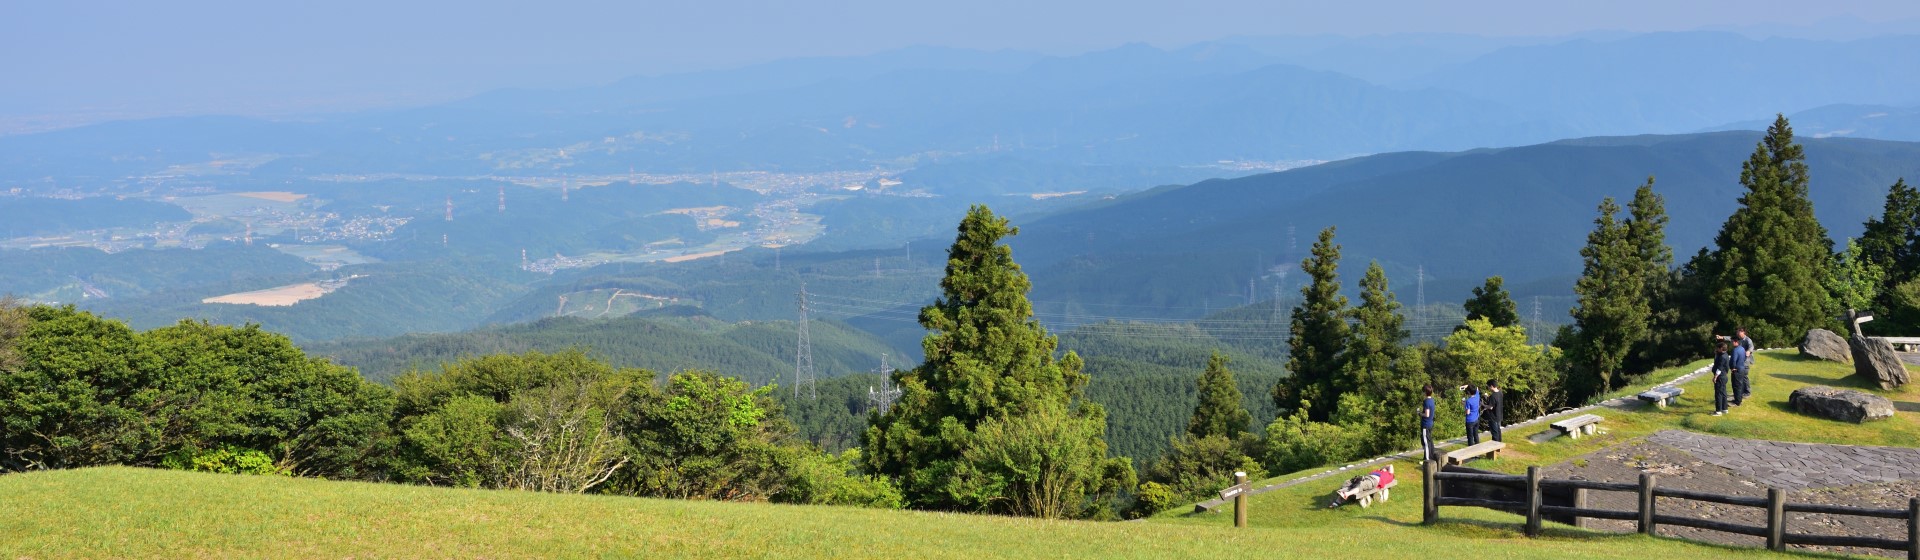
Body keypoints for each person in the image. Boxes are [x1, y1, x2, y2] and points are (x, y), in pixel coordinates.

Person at [1328, 466, 1396, 508]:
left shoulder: (1389, 475)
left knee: (1361, 485)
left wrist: (1384, 469)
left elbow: (1390, 465)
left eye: (1385, 469)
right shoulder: (1377, 471)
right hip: (1365, 477)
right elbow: (1384, 467)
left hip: (1373, 481)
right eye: (1383, 468)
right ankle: (1337, 501)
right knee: (1348, 483)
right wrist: (1381, 469)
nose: (1384, 468)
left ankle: (1346, 494)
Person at [1711, 341, 1732, 415]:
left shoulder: (1722, 357)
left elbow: (1719, 368)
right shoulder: (1725, 354)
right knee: (1723, 393)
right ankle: (1724, 408)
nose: (1717, 349)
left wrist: (1715, 377)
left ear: (1721, 348)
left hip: (1720, 377)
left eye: (1718, 348)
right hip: (1724, 376)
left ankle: (1718, 411)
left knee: (1718, 394)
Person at [1729, 338, 1750, 407]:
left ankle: (1737, 402)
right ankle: (1738, 399)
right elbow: (1744, 358)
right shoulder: (1742, 349)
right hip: (1742, 368)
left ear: (1736, 342)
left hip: (1736, 370)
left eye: (1732, 342)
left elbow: (1733, 360)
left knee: (1736, 385)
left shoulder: (1735, 350)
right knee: (1740, 385)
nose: (1731, 343)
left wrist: (1733, 368)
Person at [1736, 327, 1756, 400]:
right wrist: (1722, 337)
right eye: (1737, 332)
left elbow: (1751, 347)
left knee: (1744, 376)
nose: (1737, 334)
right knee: (1741, 376)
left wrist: (1748, 351)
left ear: (1743, 332)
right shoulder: (1738, 339)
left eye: (1739, 332)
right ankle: (1743, 391)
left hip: (1746, 361)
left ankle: (1747, 392)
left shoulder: (1748, 340)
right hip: (1741, 360)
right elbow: (1730, 338)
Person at [1421, 385, 1436, 463]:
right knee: (1430, 441)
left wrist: (1420, 413)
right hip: (1430, 423)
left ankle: (1427, 460)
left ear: (1425, 392)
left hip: (1426, 424)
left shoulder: (1426, 401)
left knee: (1426, 442)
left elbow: (1426, 414)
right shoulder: (1432, 400)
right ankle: (1431, 456)